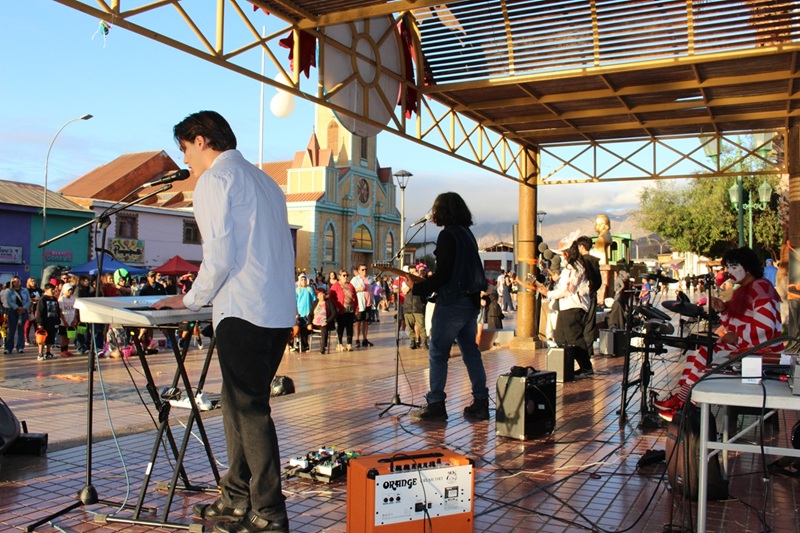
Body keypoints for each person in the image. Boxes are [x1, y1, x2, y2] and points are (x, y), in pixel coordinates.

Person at [153, 110, 294, 533]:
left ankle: (269, 511)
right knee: (237, 407)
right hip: (275, 312)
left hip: (244, 310)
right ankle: (235, 497)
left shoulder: (216, 180)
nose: (186, 159)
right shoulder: (266, 181)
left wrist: (187, 299)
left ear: (201, 140)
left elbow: (219, 257)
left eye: (185, 148)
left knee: (249, 412)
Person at [655, 246, 782, 422]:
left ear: (748, 268)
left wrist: (737, 336)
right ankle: (683, 401)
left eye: (734, 267)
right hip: (752, 346)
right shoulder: (749, 288)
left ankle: (684, 404)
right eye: (728, 267)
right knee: (702, 351)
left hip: (763, 351)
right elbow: (738, 325)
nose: (729, 271)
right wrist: (723, 310)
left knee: (706, 352)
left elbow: (765, 328)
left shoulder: (760, 289)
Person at [406, 192, 489, 422]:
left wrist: (417, 288)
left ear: (442, 211)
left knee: (438, 352)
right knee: (470, 351)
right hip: (470, 301)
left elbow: (444, 274)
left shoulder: (447, 235)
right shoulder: (467, 233)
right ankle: (481, 402)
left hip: (452, 302)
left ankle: (436, 404)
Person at [535, 232, 594, 378]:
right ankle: (566, 368)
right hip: (566, 305)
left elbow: (568, 289)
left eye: (564, 252)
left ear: (569, 252)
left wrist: (549, 293)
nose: (562, 255)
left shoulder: (576, 267)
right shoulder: (570, 267)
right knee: (560, 337)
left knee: (574, 337)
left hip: (574, 305)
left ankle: (586, 367)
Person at [576, 235, 602, 356]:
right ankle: (589, 350)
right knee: (590, 323)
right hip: (592, 295)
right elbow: (599, 281)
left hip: (582, 296)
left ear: (581, 247)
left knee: (581, 323)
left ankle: (582, 351)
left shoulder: (582, 261)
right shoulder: (594, 261)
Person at [329, 269, 356, 351]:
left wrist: (356, 308)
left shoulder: (350, 285)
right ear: (339, 276)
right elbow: (331, 297)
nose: (346, 277)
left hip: (350, 309)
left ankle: (349, 344)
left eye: (347, 275)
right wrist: (336, 306)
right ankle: (339, 344)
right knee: (341, 327)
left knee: (350, 327)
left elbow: (355, 297)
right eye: (344, 275)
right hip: (341, 310)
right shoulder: (335, 286)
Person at [5, 276, 30, 354]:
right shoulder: (9, 291)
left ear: (20, 282)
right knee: (11, 330)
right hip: (13, 311)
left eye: (18, 281)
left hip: (23, 311)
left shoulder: (25, 290)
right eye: (14, 281)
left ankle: (20, 347)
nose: (16, 283)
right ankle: (8, 347)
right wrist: (17, 308)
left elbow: (28, 301)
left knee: (21, 330)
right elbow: (9, 301)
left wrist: (23, 308)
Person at [35, 282, 60, 361]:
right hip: (44, 322)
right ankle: (40, 353)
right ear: (46, 290)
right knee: (42, 338)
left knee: (51, 337)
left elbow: (57, 311)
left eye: (54, 290)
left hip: (52, 321)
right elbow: (40, 312)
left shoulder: (54, 299)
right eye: (51, 290)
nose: (53, 291)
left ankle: (48, 352)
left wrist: (57, 321)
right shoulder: (42, 300)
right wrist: (40, 323)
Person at [351, 264, 374, 347]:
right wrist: (359, 289)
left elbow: (374, 288)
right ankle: (357, 340)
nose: (365, 271)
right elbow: (351, 290)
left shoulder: (370, 278)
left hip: (368, 303)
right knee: (358, 322)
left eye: (366, 269)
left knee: (366, 322)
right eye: (362, 269)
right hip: (359, 304)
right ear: (359, 271)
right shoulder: (355, 279)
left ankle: (365, 339)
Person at [308, 285, 336, 354]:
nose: (322, 296)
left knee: (324, 328)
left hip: (325, 323)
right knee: (303, 328)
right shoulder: (315, 303)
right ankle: (304, 346)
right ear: (317, 296)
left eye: (323, 294)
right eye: (320, 294)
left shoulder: (329, 302)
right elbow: (310, 315)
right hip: (315, 323)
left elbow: (334, 314)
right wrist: (309, 323)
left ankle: (323, 348)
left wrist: (327, 321)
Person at [294, 273, 316, 352]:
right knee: (301, 328)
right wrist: (296, 313)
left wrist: (312, 312)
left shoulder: (309, 289)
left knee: (306, 328)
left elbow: (314, 300)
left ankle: (305, 345)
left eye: (304, 280)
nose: (303, 281)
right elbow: (295, 302)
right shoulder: (297, 290)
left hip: (308, 312)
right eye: (302, 280)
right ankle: (301, 345)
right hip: (300, 313)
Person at [57, 283, 78, 356]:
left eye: (71, 290)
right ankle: (62, 350)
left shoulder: (73, 298)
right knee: (63, 335)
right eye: (69, 290)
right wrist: (64, 321)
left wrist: (74, 319)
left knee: (68, 335)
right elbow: (60, 311)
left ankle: (66, 349)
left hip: (71, 319)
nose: (70, 292)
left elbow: (75, 309)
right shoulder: (61, 299)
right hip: (64, 320)